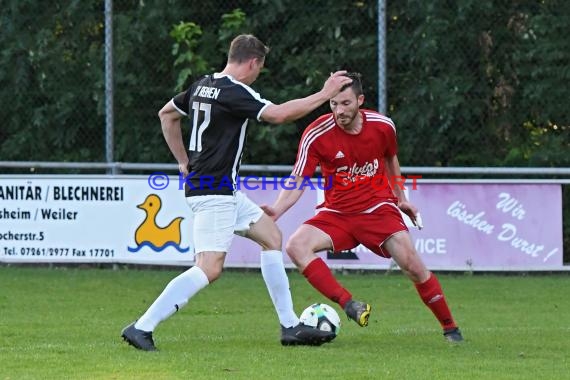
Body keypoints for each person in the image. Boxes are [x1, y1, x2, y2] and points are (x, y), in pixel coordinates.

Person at [120, 34, 353, 351]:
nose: (258, 74)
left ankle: (290, 327)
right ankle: (142, 327)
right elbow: (280, 115)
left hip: (220, 189)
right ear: (253, 62)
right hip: (214, 192)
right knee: (209, 267)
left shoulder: (203, 84)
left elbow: (167, 114)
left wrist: (183, 162)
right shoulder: (234, 91)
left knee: (270, 236)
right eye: (260, 68)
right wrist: (324, 93)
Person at [262, 72, 464, 343]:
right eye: (333, 104)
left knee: (412, 264)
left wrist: (401, 197)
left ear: (360, 100)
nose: (339, 111)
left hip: (378, 208)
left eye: (345, 103)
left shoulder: (383, 126)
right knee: (296, 246)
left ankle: (451, 329)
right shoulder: (316, 134)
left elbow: (391, 159)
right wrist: (277, 209)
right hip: (337, 213)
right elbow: (299, 178)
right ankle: (349, 305)